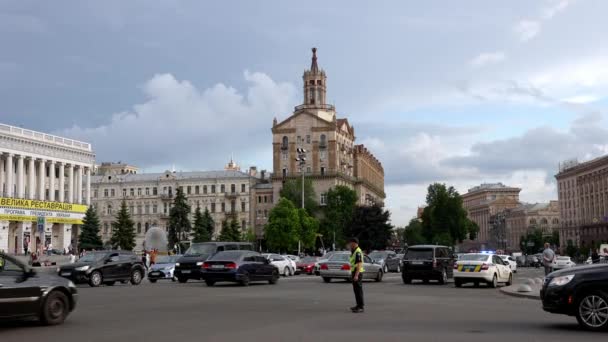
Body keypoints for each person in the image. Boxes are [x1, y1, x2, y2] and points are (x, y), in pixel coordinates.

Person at [348, 237, 365, 313]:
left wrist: (356, 275)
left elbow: (359, 264)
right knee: (356, 290)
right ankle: (358, 305)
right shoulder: (354, 250)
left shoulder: (358, 252)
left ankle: (361, 307)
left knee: (358, 290)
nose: (350, 244)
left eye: (351, 243)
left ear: (354, 243)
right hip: (354, 271)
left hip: (357, 272)